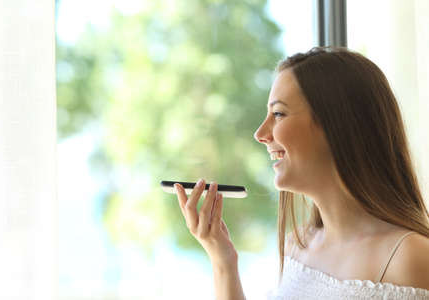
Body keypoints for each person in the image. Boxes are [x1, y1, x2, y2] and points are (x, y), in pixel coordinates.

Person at [173, 46, 429, 299]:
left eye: (278, 114)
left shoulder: (410, 258)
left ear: (337, 125)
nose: (261, 134)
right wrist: (222, 260)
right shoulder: (298, 246)